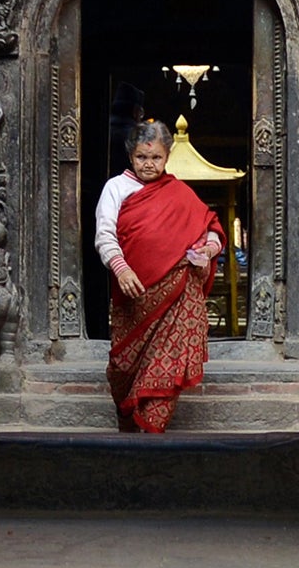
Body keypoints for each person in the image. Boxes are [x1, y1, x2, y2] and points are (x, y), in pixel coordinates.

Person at [95, 120, 224, 433]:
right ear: (131, 156)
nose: (148, 164)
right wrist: (120, 267)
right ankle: (127, 416)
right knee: (124, 364)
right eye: (142, 157)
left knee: (167, 362)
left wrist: (208, 248)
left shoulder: (178, 192)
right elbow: (104, 234)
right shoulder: (116, 188)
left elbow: (211, 228)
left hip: (177, 293)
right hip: (133, 294)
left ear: (167, 157)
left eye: (156, 158)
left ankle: (153, 427)